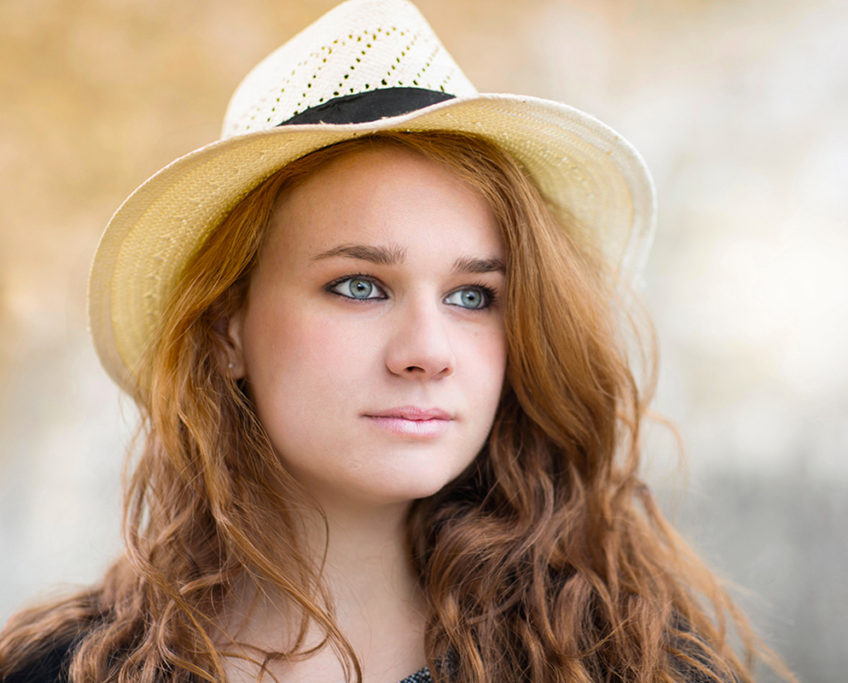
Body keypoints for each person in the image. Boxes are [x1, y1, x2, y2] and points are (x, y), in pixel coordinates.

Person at [0, 1, 791, 681]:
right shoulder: (62, 668)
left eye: (473, 296)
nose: (427, 349)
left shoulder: (627, 657)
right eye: (359, 285)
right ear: (225, 330)